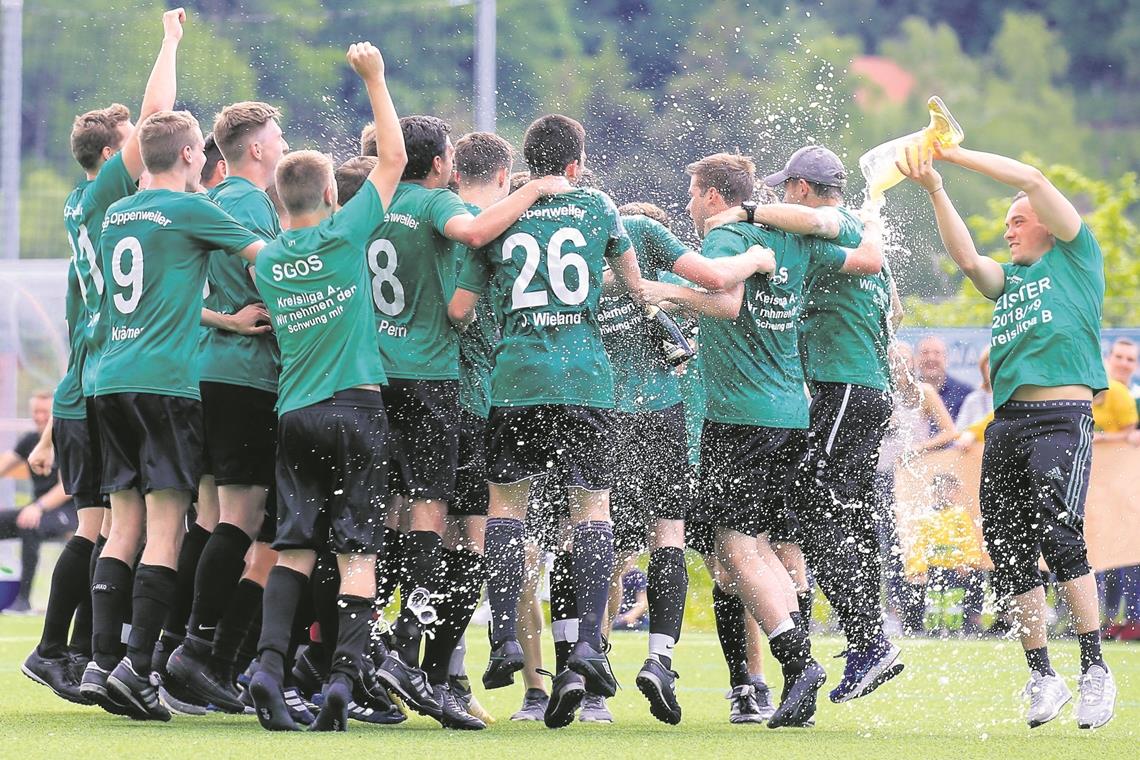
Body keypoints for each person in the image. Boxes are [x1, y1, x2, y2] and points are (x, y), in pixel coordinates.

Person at [640, 152, 883, 728]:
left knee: (736, 550)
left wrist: (656, 290)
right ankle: (797, 659)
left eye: (694, 193)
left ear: (716, 198)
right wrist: (872, 216)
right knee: (760, 546)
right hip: (791, 414)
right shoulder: (797, 244)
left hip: (741, 418)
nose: (690, 204)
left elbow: (725, 300)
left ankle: (796, 663)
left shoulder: (729, 242)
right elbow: (870, 263)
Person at [898, 140, 1117, 729]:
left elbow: (1031, 174)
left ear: (1049, 223)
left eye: (1018, 220)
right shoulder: (1013, 280)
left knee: (1059, 534)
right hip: (1009, 424)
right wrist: (936, 188)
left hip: (1061, 417)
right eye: (1006, 221)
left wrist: (952, 154)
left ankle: (1096, 670)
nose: (1009, 228)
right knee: (1011, 551)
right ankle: (1043, 677)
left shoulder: (1075, 256)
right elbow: (970, 262)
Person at [365, 115, 567, 729]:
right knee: (467, 537)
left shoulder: (375, 202)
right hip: (458, 396)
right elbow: (459, 304)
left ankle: (384, 663)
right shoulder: (458, 220)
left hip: (376, 379)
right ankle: (424, 667)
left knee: (389, 522)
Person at [448, 113, 642, 730]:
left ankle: (505, 641)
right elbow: (635, 289)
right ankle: (589, 644)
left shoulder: (501, 217)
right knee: (592, 510)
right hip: (585, 379)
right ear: (576, 164)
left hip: (517, 378)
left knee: (506, 509)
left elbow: (459, 310)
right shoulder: (597, 206)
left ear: (525, 165)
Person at [22, 7, 187, 713]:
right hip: (101, 381)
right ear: (114, 157)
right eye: (131, 146)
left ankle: (85, 653)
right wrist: (170, 39)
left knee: (109, 525)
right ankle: (62, 649)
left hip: (90, 382)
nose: (142, 149)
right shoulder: (109, 196)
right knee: (103, 527)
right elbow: (158, 113)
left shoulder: (81, 205)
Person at [705, 143, 906, 702]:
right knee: (834, 513)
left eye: (781, 189)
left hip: (843, 388)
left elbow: (824, 222)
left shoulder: (831, 221)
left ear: (799, 188)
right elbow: (878, 280)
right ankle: (863, 638)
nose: (774, 197)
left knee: (816, 509)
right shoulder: (854, 235)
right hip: (856, 390)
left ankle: (869, 640)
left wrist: (745, 213)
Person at [244, 41, 406, 733]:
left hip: (296, 412)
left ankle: (269, 669)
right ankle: (342, 680)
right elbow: (394, 161)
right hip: (357, 408)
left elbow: (272, 227)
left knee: (295, 548)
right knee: (359, 552)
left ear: (279, 202)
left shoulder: (269, 263)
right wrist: (374, 78)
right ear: (334, 197)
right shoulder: (344, 237)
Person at [596, 198, 780, 725]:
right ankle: (745, 683)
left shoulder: (683, 299)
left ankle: (751, 680)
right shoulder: (635, 295)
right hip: (673, 435)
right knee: (711, 558)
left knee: (729, 563)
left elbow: (728, 304)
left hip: (693, 434)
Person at [164, 100, 288, 714]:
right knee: (247, 517)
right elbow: (279, 277)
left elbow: (177, 296)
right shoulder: (249, 203)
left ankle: (173, 650)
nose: (284, 144)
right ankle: (200, 653)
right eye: (279, 136)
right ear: (257, 149)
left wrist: (223, 321)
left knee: (212, 519)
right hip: (242, 377)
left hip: (203, 373)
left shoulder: (205, 203)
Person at [0, 392, 75, 614]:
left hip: (68, 512)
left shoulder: (66, 440)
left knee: (29, 524)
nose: (40, 417)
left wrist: (38, 507)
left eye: (45, 412)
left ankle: (23, 601)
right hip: (36, 510)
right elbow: (5, 464)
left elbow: (66, 487)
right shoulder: (30, 441)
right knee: (22, 520)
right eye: (36, 412)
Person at [902, 473, 984, 636]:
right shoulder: (927, 516)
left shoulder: (960, 515)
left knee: (954, 598)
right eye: (941, 490)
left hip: (955, 567)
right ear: (933, 492)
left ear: (956, 492)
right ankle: (932, 628)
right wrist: (918, 569)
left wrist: (968, 563)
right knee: (933, 599)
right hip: (934, 568)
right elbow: (919, 543)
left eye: (949, 490)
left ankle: (957, 627)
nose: (945, 494)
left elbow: (968, 541)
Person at [915, 335, 975, 420]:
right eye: (925, 353)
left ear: (946, 359)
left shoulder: (965, 393)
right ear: (916, 359)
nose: (931, 358)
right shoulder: (909, 392)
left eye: (937, 353)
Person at [956, 347, 994, 428]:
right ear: (982, 366)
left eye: (994, 361)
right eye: (987, 362)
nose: (989, 367)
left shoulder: (1013, 397)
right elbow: (959, 434)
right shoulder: (973, 399)